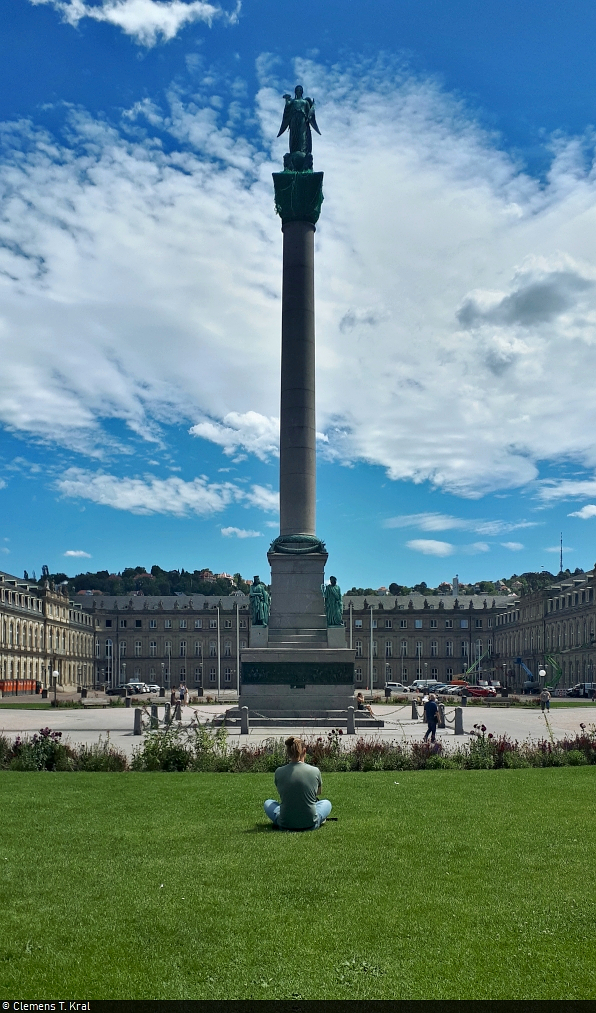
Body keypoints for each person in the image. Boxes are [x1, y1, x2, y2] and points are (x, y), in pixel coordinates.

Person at [264, 736, 332, 831]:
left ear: (288, 752)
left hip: (285, 822)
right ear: (304, 751)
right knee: (326, 803)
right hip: (310, 822)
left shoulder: (279, 771)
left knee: (268, 803)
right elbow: (318, 792)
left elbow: (282, 792)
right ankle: (318, 819)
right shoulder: (315, 771)